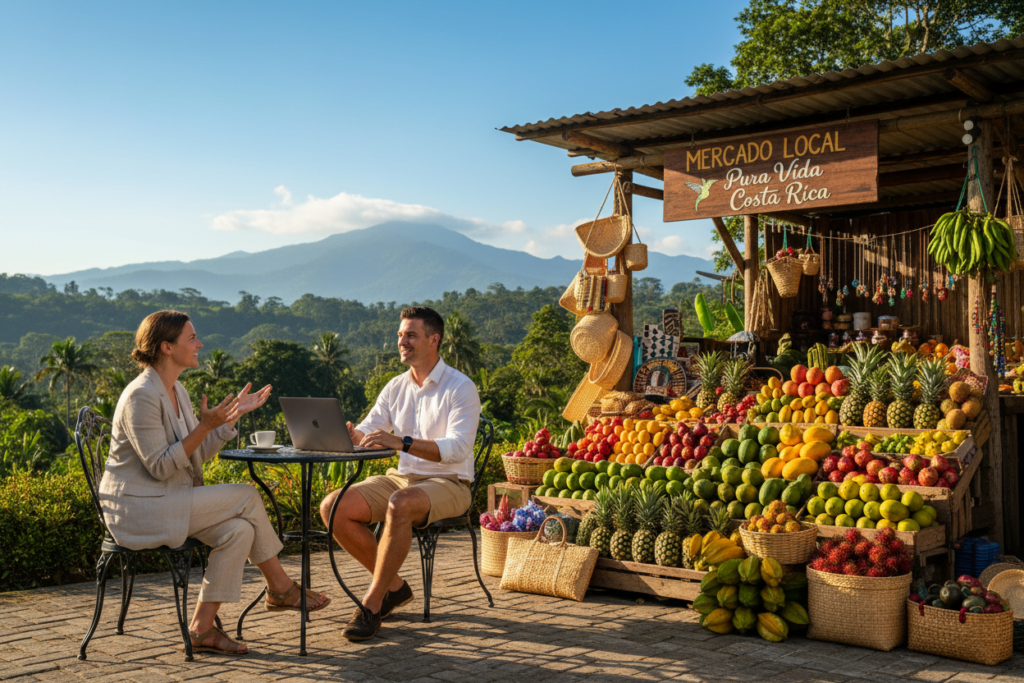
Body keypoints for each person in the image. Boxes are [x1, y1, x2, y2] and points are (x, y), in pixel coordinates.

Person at [100, 310, 330, 656]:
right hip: (139, 509)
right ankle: (281, 588)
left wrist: (230, 417)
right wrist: (205, 427)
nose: (199, 344)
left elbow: (197, 453)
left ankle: (201, 629)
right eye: (191, 338)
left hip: (169, 499)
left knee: (240, 530)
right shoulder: (141, 396)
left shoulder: (177, 390)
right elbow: (161, 466)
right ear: (166, 346)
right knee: (247, 495)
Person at [320, 306, 480, 641]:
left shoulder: (460, 387)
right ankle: (394, 587)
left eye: (410, 335)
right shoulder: (395, 386)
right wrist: (354, 436)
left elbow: (458, 449)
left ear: (433, 340)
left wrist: (402, 442)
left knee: (400, 503)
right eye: (400, 335)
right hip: (402, 477)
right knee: (333, 506)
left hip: (449, 482)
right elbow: (370, 429)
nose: (401, 341)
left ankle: (373, 603)